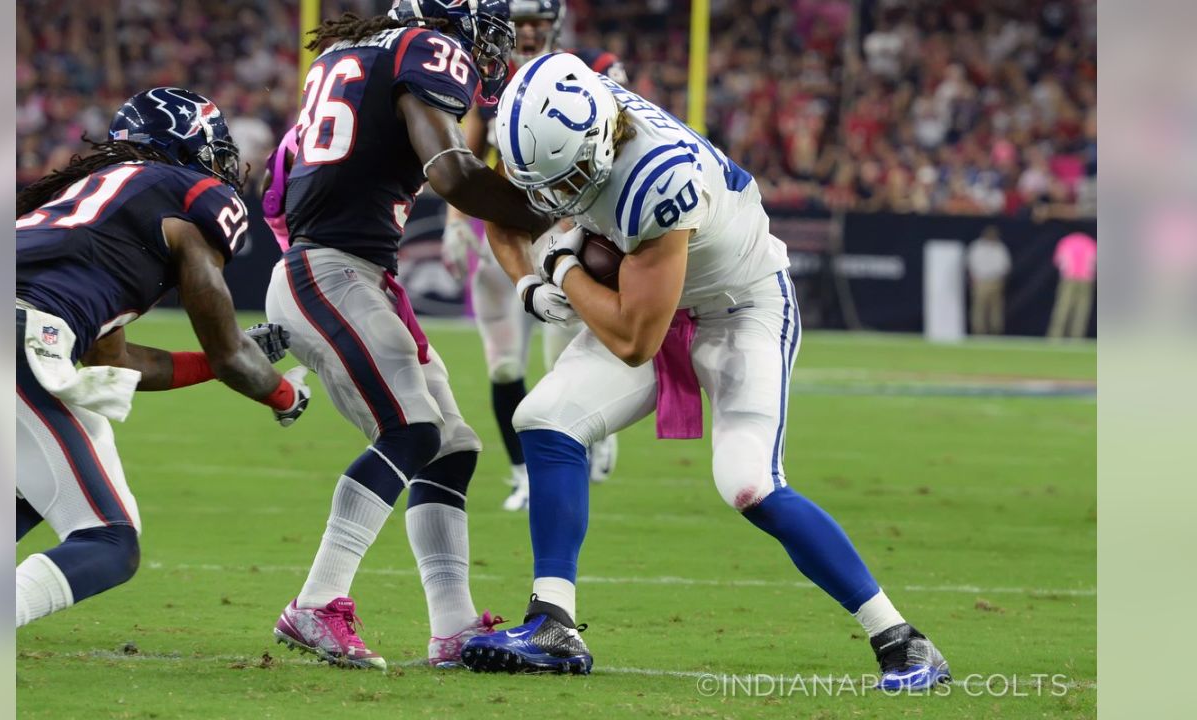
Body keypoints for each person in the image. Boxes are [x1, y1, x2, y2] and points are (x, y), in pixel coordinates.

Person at [462, 53, 951, 690]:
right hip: (665, 294)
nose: (558, 196)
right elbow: (503, 216)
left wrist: (561, 270)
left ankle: (902, 640)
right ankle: (552, 623)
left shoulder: (657, 179)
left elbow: (636, 339)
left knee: (747, 481)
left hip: (740, 305)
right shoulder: (548, 122)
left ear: (600, 136)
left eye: (571, 174)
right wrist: (529, 282)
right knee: (546, 419)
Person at [262, 1, 560, 670]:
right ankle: (316, 600)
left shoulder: (351, 58)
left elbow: (278, 188)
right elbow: (452, 172)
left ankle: (452, 627)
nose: (489, 44)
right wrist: (552, 218)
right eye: (483, 25)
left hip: (340, 270)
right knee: (411, 430)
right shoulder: (426, 50)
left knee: (451, 446)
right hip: (334, 273)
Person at [15, 87, 311, 628]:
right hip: (14, 332)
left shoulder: (92, 193)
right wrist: (282, 391)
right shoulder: (189, 193)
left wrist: (219, 359)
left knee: (34, 488)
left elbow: (116, 363)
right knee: (108, 541)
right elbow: (230, 357)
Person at [440, 0, 629, 510]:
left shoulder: (591, 69)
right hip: (505, 233)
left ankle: (596, 429)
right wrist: (457, 222)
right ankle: (523, 472)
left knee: (561, 360)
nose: (525, 32)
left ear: (554, 26)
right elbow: (468, 156)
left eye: (536, 24)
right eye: (518, 23)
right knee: (503, 368)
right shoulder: (491, 77)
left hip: (562, 232)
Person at [1048, 231, 1096, 339]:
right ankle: (1076, 337)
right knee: (1081, 310)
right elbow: (1094, 261)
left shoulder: (1065, 242)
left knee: (1063, 307)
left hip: (1069, 278)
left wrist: (1066, 270)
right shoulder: (1090, 242)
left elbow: (1058, 261)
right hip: (1086, 279)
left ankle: (1055, 336)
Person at [967, 225, 1011, 335]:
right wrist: (974, 277)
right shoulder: (977, 247)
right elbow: (970, 263)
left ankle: (995, 332)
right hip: (980, 281)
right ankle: (978, 332)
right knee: (979, 308)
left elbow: (1005, 266)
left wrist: (999, 279)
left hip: (995, 281)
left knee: (996, 310)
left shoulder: (1000, 248)